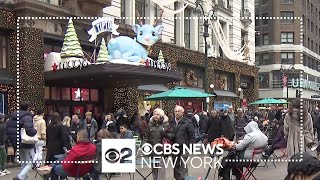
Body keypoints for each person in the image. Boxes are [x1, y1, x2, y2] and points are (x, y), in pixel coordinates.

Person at [6, 102, 37, 180]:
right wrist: (35, 131)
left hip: (17, 142)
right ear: (28, 108)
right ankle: (20, 177)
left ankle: (24, 178)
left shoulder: (12, 117)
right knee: (30, 163)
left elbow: (8, 129)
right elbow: (30, 130)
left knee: (24, 162)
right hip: (27, 143)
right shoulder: (27, 117)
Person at [142, 108, 174, 180]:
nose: (155, 116)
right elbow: (146, 137)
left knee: (161, 168)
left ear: (161, 115)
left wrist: (166, 134)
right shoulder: (149, 125)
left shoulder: (166, 124)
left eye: (157, 114)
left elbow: (172, 135)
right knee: (154, 169)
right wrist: (144, 145)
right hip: (152, 150)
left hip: (162, 150)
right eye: (154, 114)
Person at [170, 105, 195, 180]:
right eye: (176, 111)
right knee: (175, 164)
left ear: (182, 113)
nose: (177, 113)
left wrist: (191, 147)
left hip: (185, 146)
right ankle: (178, 178)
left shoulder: (187, 122)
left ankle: (185, 178)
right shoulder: (171, 122)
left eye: (179, 111)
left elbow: (192, 136)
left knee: (183, 163)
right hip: (174, 147)